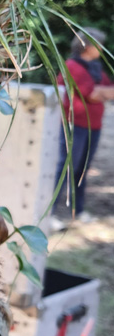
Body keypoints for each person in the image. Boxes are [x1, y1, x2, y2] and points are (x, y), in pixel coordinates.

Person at [52, 27, 114, 226]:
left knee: (82, 169)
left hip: (93, 126)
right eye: (99, 45)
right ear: (87, 46)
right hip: (74, 125)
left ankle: (77, 211)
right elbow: (93, 94)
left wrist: (103, 92)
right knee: (65, 167)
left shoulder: (94, 68)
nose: (101, 48)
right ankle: (49, 213)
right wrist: (102, 92)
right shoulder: (73, 66)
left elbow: (106, 90)